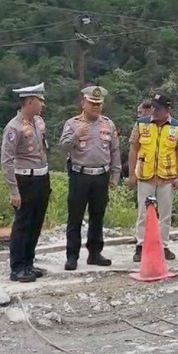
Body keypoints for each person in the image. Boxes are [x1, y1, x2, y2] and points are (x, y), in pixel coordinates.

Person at [59, 86, 121, 270]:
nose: (96, 107)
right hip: (80, 175)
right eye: (92, 103)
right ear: (83, 103)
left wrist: (115, 174)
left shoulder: (108, 124)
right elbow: (63, 147)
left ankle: (95, 253)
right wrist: (76, 136)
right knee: (75, 217)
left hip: (101, 175)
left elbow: (115, 151)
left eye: (99, 104)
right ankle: (72, 256)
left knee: (97, 216)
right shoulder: (72, 124)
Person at [128, 93, 178, 262]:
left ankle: (163, 246)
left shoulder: (177, 127)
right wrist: (132, 174)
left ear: (167, 109)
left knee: (165, 214)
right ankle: (140, 246)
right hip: (145, 175)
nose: (154, 111)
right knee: (143, 213)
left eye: (158, 108)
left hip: (167, 177)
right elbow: (133, 149)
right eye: (153, 107)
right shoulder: (141, 124)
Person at [0, 83, 50, 283]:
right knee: (23, 224)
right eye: (39, 101)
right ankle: (17, 267)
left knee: (36, 222)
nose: (42, 105)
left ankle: (29, 263)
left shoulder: (38, 122)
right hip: (24, 179)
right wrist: (14, 190)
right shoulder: (14, 127)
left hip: (41, 177)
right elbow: (6, 160)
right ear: (29, 102)